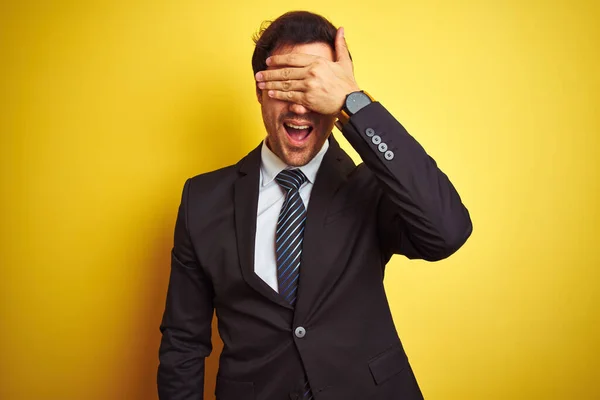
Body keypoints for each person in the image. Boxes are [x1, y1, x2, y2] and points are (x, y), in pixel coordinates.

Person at [157, 10, 472, 400]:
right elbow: (183, 343)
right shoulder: (202, 200)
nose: (300, 106)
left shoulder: (370, 187)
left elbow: (448, 231)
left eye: (314, 86)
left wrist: (354, 102)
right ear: (259, 89)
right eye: (287, 85)